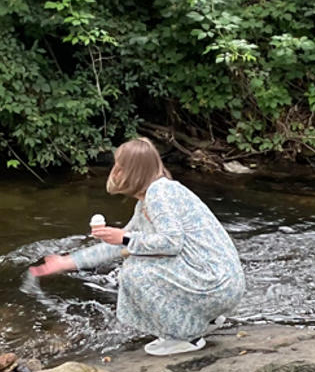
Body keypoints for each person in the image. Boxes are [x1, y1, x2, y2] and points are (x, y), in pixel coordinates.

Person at [30, 137, 245, 355]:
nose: (115, 171)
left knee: (134, 272)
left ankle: (186, 337)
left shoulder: (159, 194)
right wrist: (68, 262)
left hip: (216, 284)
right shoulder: (153, 197)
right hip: (223, 282)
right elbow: (120, 244)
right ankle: (206, 319)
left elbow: (171, 242)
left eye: (119, 166)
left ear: (133, 171)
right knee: (137, 256)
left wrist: (124, 238)